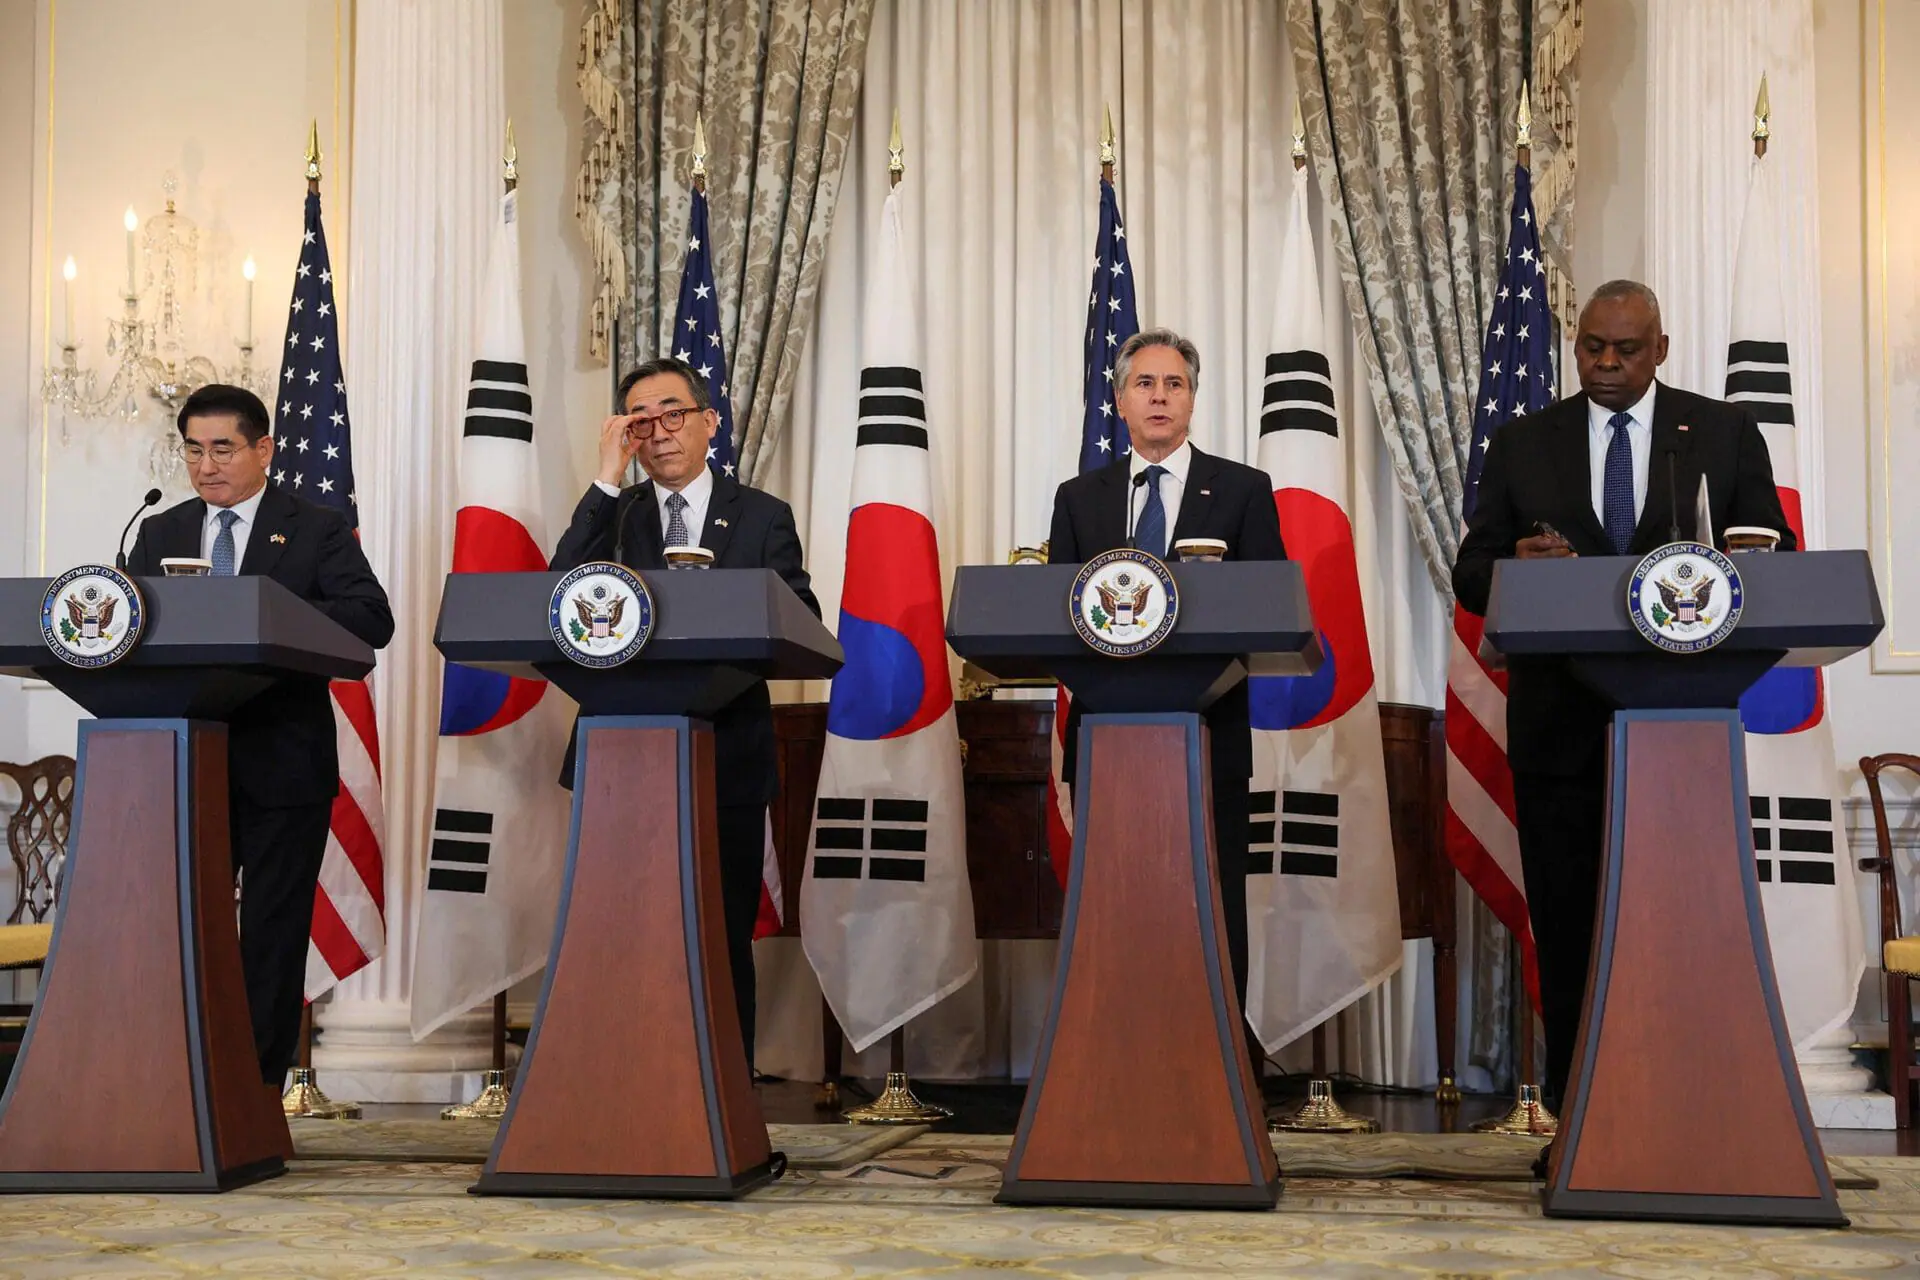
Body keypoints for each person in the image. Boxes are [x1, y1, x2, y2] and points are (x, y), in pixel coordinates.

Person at [1451, 280, 1794, 1116]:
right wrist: (1516, 567)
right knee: (1570, 933)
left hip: (1685, 731)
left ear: (1661, 350)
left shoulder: (1721, 433)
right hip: (1559, 730)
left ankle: (1696, 1107)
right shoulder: (1526, 441)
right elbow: (1470, 568)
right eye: (1592, 348)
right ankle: (1580, 1118)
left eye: (1626, 350)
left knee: (1682, 923)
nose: (1605, 364)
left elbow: (1770, 554)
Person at [550, 356, 819, 1065]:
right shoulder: (616, 513)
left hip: (724, 754)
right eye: (642, 419)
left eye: (674, 413)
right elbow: (556, 596)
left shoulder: (763, 516)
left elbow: (802, 621)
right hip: (620, 757)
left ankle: (726, 1090)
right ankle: (619, 1085)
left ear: (710, 421)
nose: (660, 431)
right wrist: (606, 479)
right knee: (620, 931)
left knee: (718, 930)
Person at [126, 383, 394, 1087]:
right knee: (188, 929)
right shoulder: (160, 532)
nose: (206, 465)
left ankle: (255, 1090)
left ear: (264, 449)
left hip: (283, 761)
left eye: (223, 448)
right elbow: (126, 631)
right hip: (185, 761)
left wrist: (262, 609)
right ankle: (180, 1082)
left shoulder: (314, 529)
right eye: (192, 449)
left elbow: (372, 619)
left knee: (271, 937)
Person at [1046, 327, 1288, 1009]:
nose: (1159, 396)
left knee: (1212, 903)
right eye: (1144, 384)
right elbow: (1059, 612)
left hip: (1210, 733)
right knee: (1113, 906)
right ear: (1119, 401)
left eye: (1173, 383)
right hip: (1106, 737)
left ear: (1192, 399)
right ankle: (1110, 1057)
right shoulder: (1078, 498)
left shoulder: (1242, 490)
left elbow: (1269, 604)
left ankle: (1219, 1068)